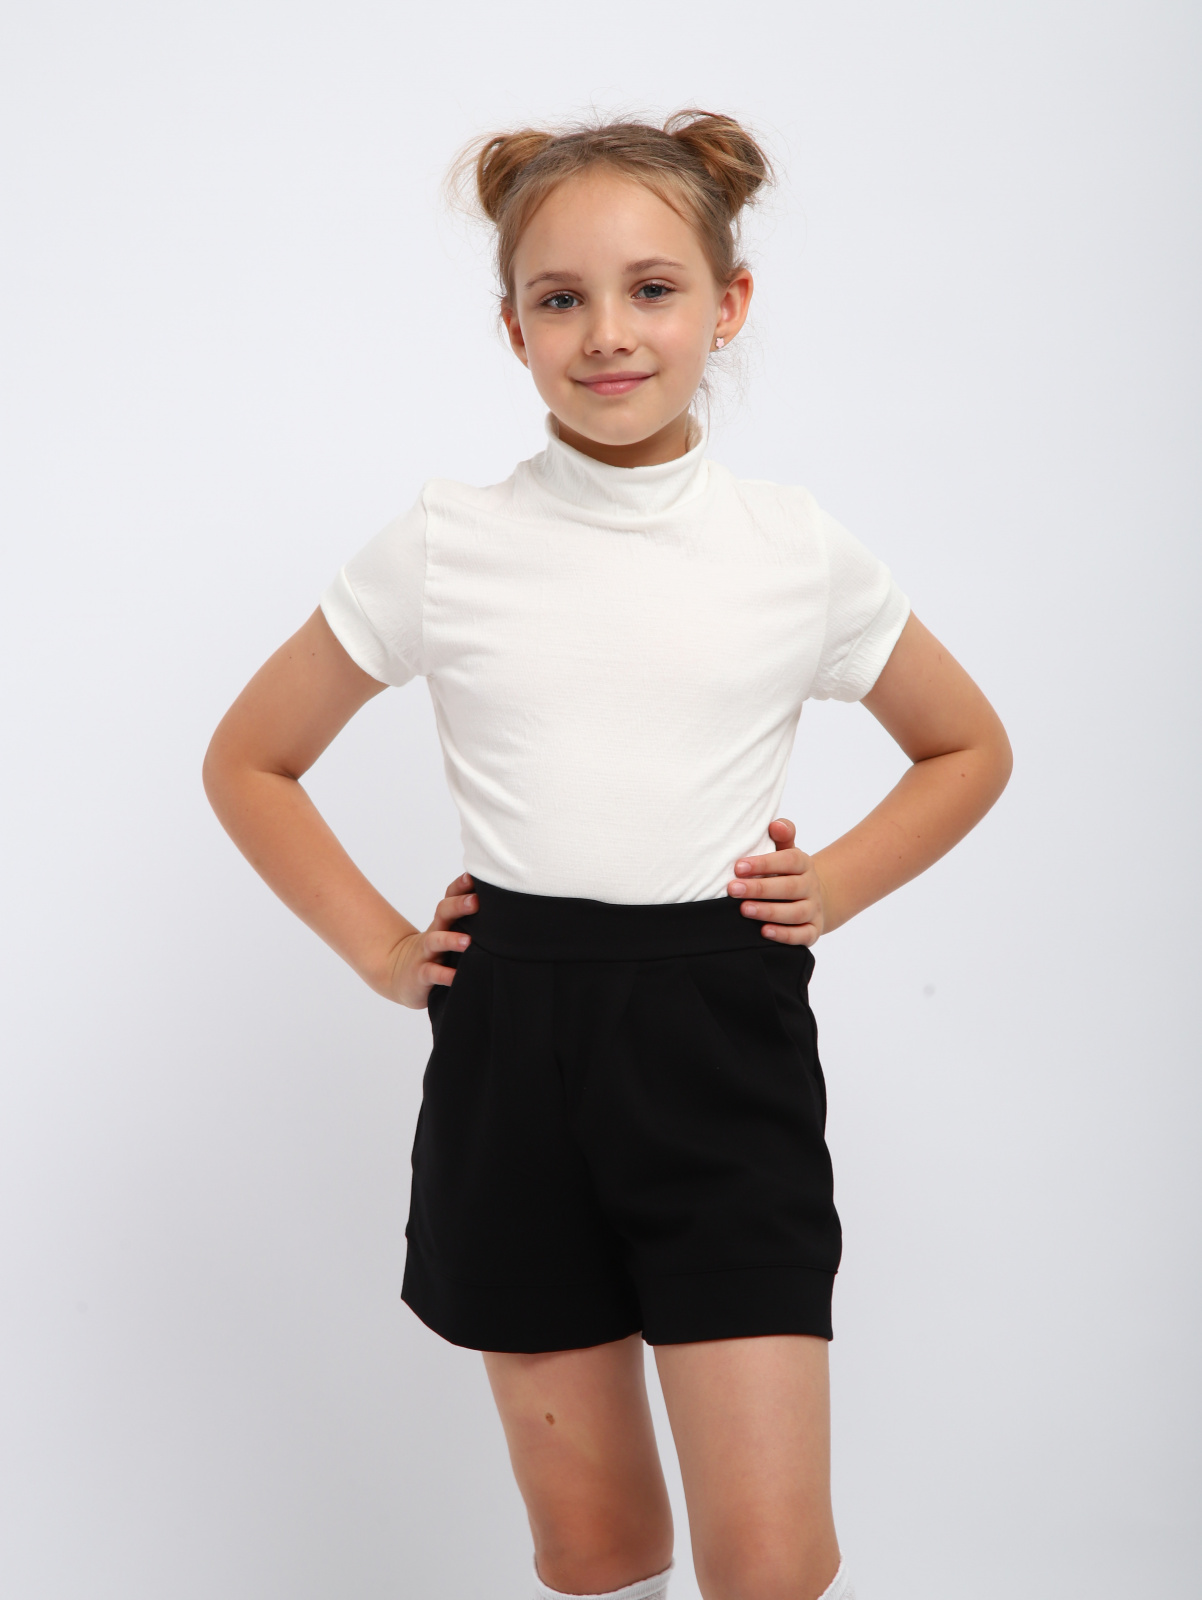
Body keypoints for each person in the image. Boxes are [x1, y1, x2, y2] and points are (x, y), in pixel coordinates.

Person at [203, 111, 1012, 1600]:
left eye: (652, 289)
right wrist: (385, 951)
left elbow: (967, 745)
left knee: (768, 1561)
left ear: (727, 304)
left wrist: (836, 880)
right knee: (595, 1546)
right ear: (512, 329)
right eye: (560, 298)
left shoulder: (794, 547)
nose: (608, 333)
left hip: (718, 1043)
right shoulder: (445, 543)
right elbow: (249, 758)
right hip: (511, 1046)